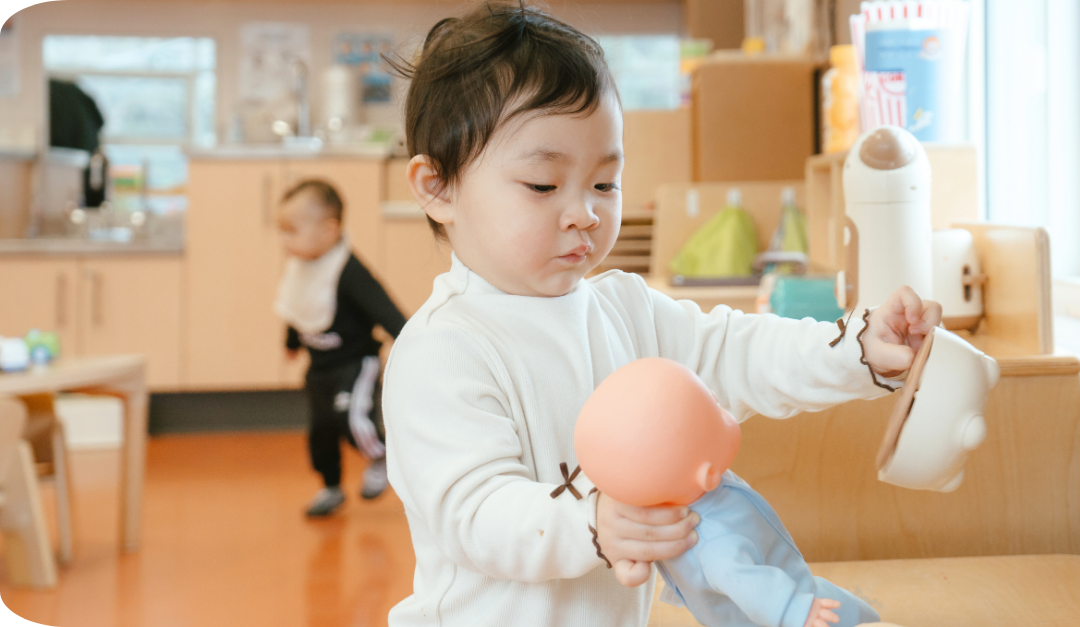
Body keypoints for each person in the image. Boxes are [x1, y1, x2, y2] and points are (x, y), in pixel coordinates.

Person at [381, 3, 941, 626]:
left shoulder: (624, 308)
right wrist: (593, 522)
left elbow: (737, 354)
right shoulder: (442, 350)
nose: (584, 213)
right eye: (543, 185)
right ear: (437, 189)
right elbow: (476, 515)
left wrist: (856, 349)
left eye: (604, 184)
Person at [576, 357, 879, 627]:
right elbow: (747, 584)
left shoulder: (680, 495)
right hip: (785, 611)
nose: (721, 404)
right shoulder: (714, 541)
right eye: (716, 408)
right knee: (860, 618)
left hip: (789, 588)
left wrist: (629, 566)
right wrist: (796, 612)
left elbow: (635, 568)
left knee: (858, 611)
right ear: (706, 474)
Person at [275, 179, 406, 517]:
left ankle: (382, 456)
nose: (284, 241)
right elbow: (298, 309)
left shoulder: (349, 270)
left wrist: (407, 342)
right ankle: (331, 487)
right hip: (319, 367)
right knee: (321, 430)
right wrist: (291, 341)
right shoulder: (301, 266)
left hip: (356, 363)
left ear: (329, 230)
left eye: (292, 231)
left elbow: (384, 309)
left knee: (351, 419)